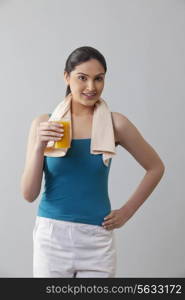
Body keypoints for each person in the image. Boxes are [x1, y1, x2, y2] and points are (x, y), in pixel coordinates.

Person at [20, 46, 165, 278]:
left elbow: (156, 167)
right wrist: (39, 145)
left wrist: (127, 212)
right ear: (66, 77)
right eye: (82, 78)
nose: (91, 87)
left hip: (97, 239)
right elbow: (28, 194)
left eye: (98, 79)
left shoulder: (115, 124)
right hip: (51, 238)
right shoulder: (44, 124)